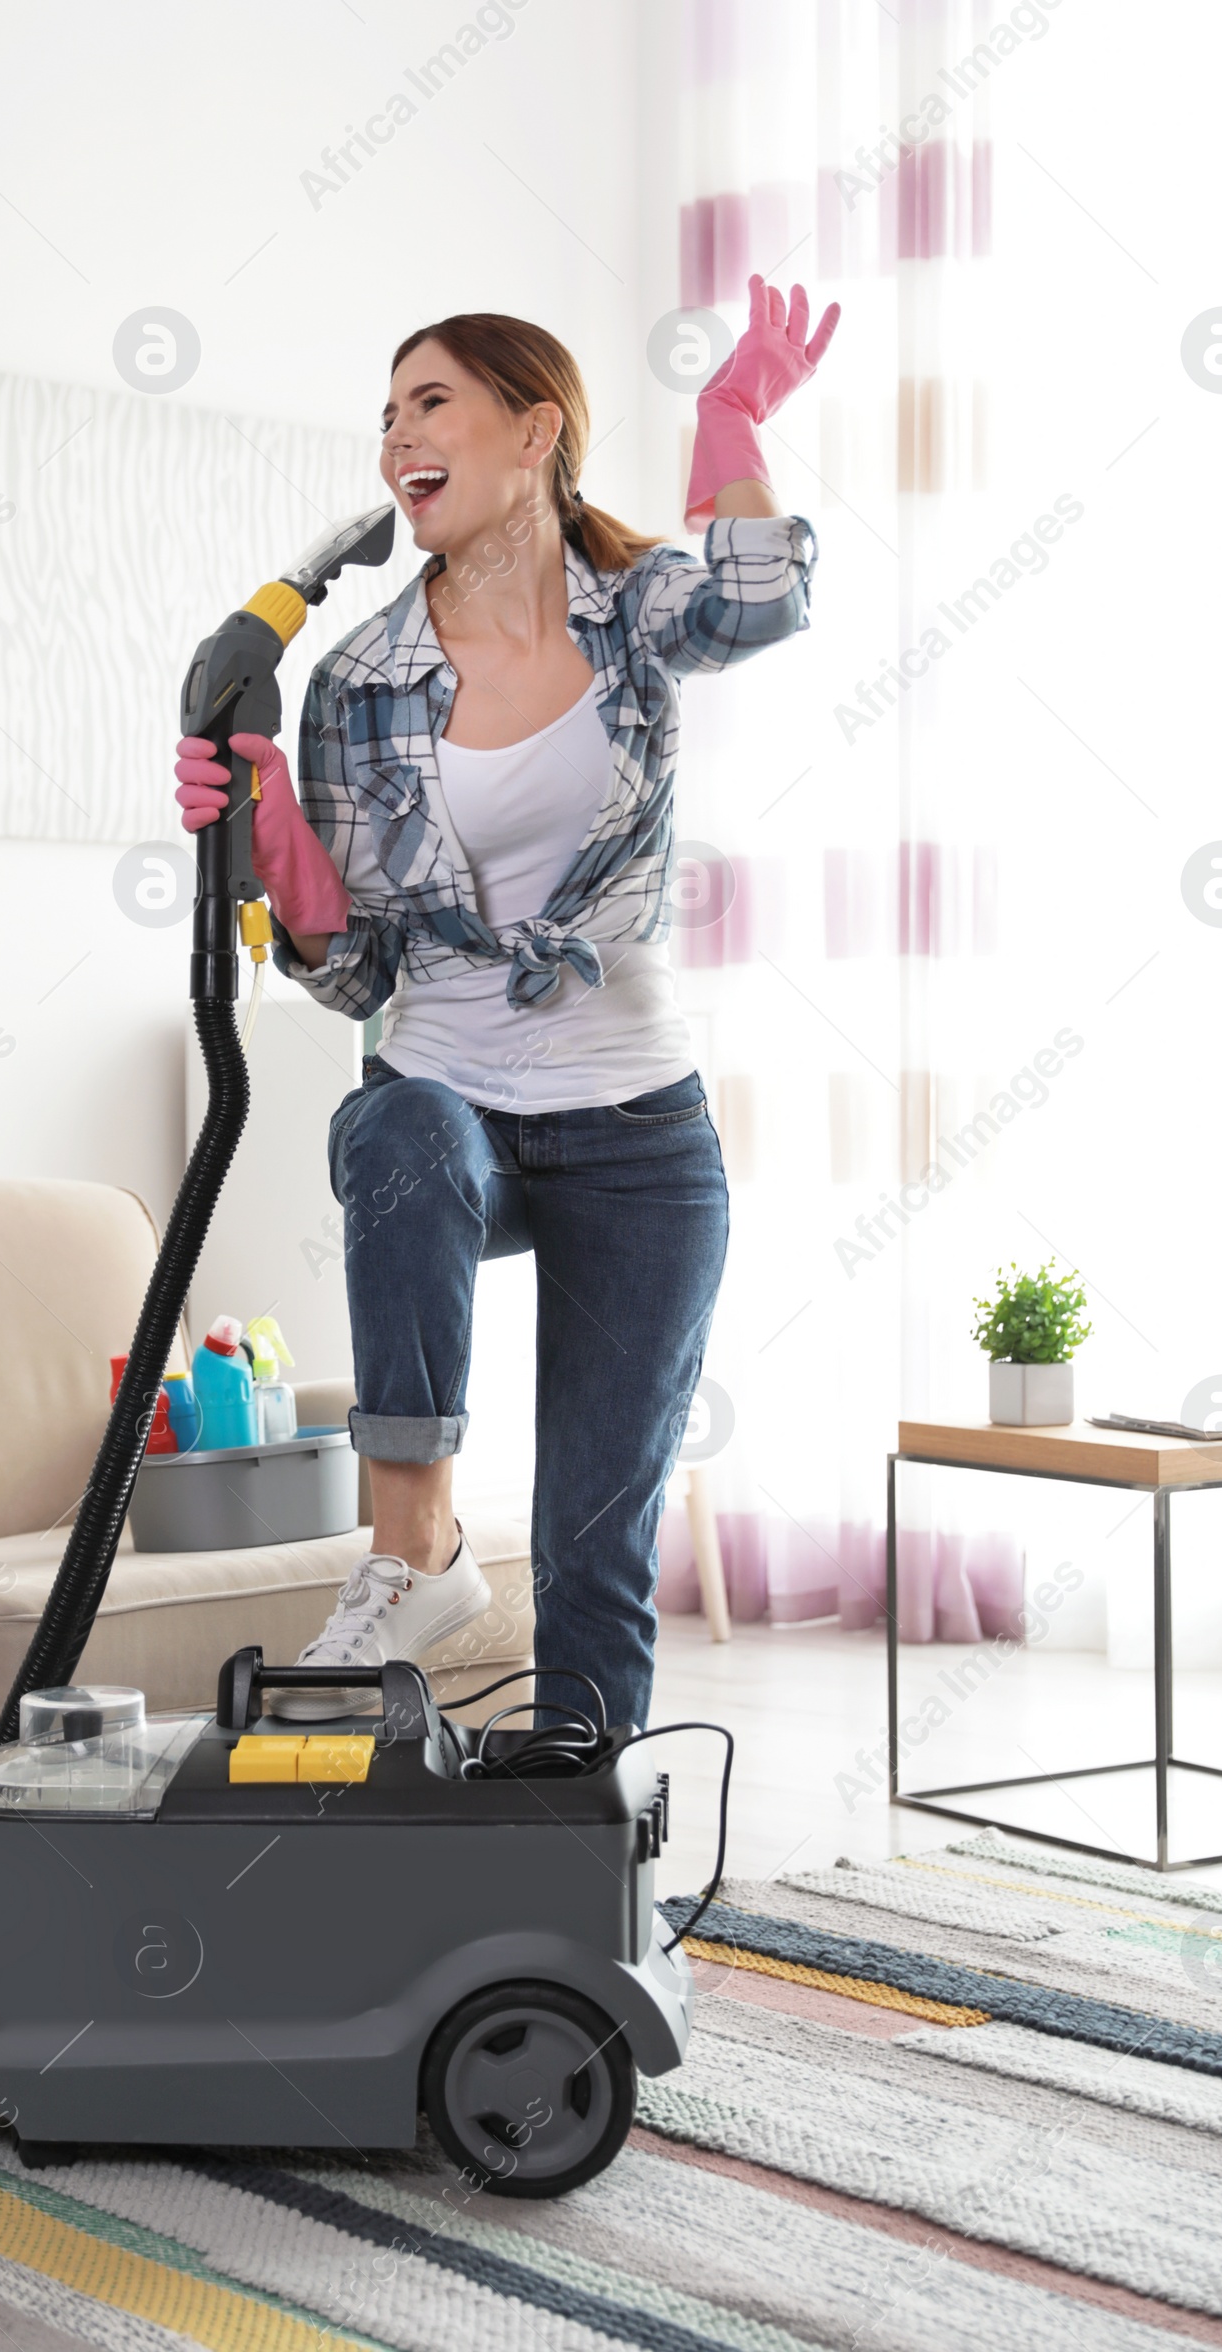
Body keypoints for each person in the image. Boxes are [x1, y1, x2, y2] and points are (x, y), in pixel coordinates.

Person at [175, 277, 839, 1726]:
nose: (396, 439)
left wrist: (729, 419)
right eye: (388, 414)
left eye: (431, 404)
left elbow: (760, 598)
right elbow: (353, 969)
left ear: (532, 432)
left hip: (637, 1130)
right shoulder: (361, 680)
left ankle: (587, 1850)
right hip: (448, 1098)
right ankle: (415, 1550)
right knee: (401, 1130)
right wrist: (270, 820)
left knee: (602, 1540)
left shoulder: (632, 614)